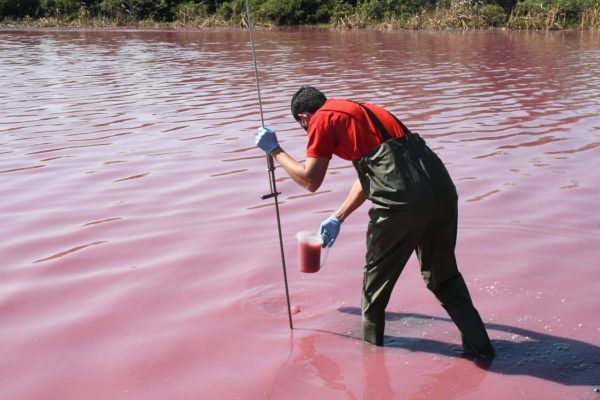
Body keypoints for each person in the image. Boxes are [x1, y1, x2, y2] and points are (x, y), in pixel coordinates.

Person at [254, 86, 495, 358]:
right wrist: (338, 216)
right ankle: (482, 350)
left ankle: (370, 361)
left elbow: (311, 180)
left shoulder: (320, 119)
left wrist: (275, 150)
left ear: (304, 118)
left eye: (303, 129)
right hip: (441, 192)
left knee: (374, 284)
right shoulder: (366, 111)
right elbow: (377, 171)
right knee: (444, 279)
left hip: (400, 203)